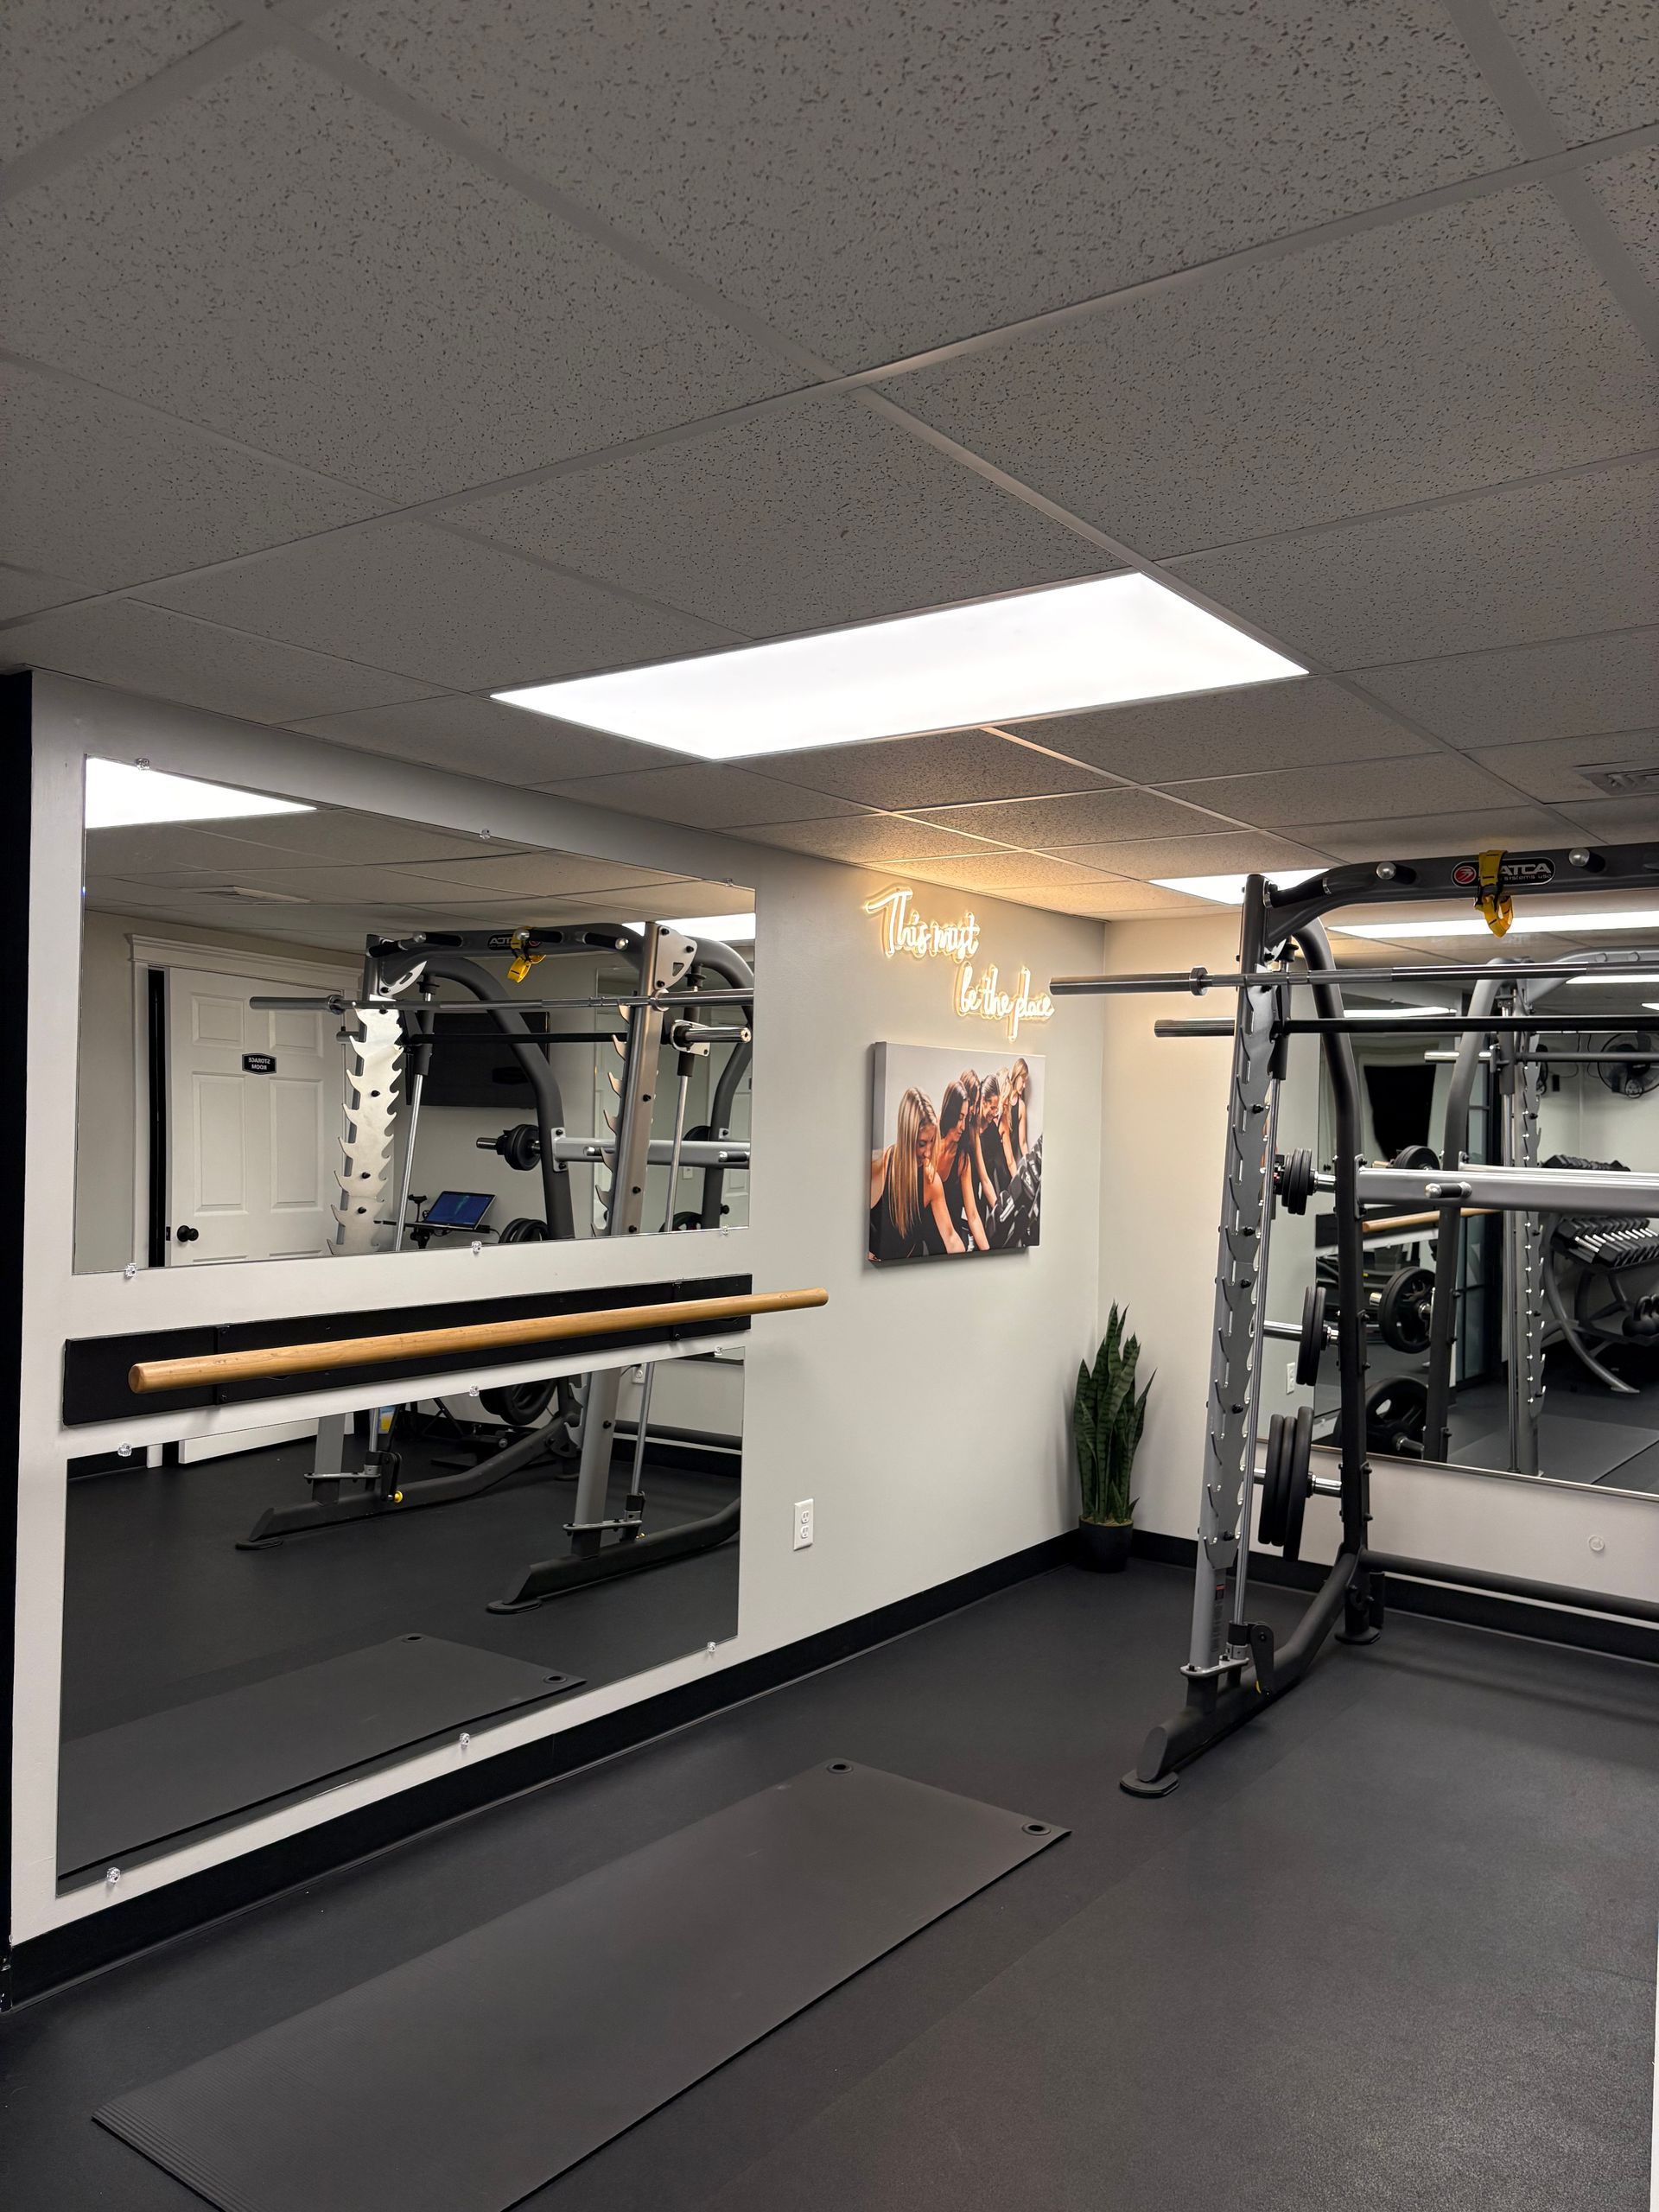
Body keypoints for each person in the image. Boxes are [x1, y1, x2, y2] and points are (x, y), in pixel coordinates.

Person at [868, 1086, 964, 1262]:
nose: (928, 1153)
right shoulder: (875, 1167)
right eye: (921, 1144)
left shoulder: (931, 1180)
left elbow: (951, 1238)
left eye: (932, 1141)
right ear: (906, 1138)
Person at [936, 1074, 989, 1253]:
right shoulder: (929, 1145)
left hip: (953, 1237)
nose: (963, 1126)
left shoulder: (962, 1158)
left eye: (965, 1119)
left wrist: (989, 1254)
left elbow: (973, 1215)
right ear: (949, 1113)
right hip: (925, 1239)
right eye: (959, 1118)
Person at [1006, 1057, 1032, 1167]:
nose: (1024, 1085)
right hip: (996, 1160)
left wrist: (1031, 1166)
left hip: (1010, 1164)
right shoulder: (1003, 1099)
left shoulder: (1021, 1106)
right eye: (1023, 1081)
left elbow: (1023, 1143)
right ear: (1016, 1076)